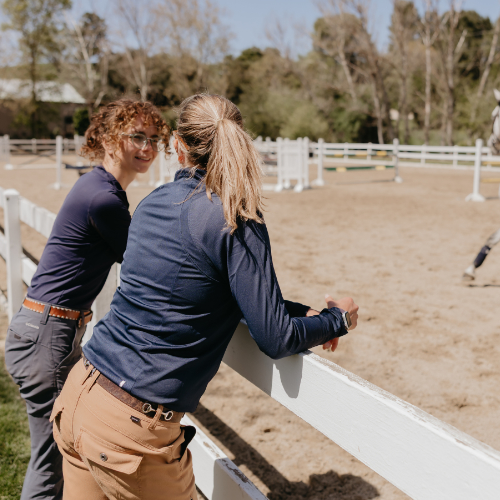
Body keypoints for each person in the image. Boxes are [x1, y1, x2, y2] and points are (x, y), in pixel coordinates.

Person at [51, 93, 358, 500]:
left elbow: (207, 289)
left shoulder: (152, 203)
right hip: (132, 429)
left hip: (81, 393)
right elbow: (275, 338)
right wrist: (339, 320)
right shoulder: (236, 218)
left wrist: (304, 313)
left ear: (178, 145)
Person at [4, 99, 170, 500]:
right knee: (54, 462)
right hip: (49, 336)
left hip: (44, 330)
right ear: (110, 139)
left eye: (154, 139)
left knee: (57, 454)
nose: (147, 148)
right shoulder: (104, 199)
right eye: (137, 137)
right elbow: (144, 261)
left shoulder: (96, 184)